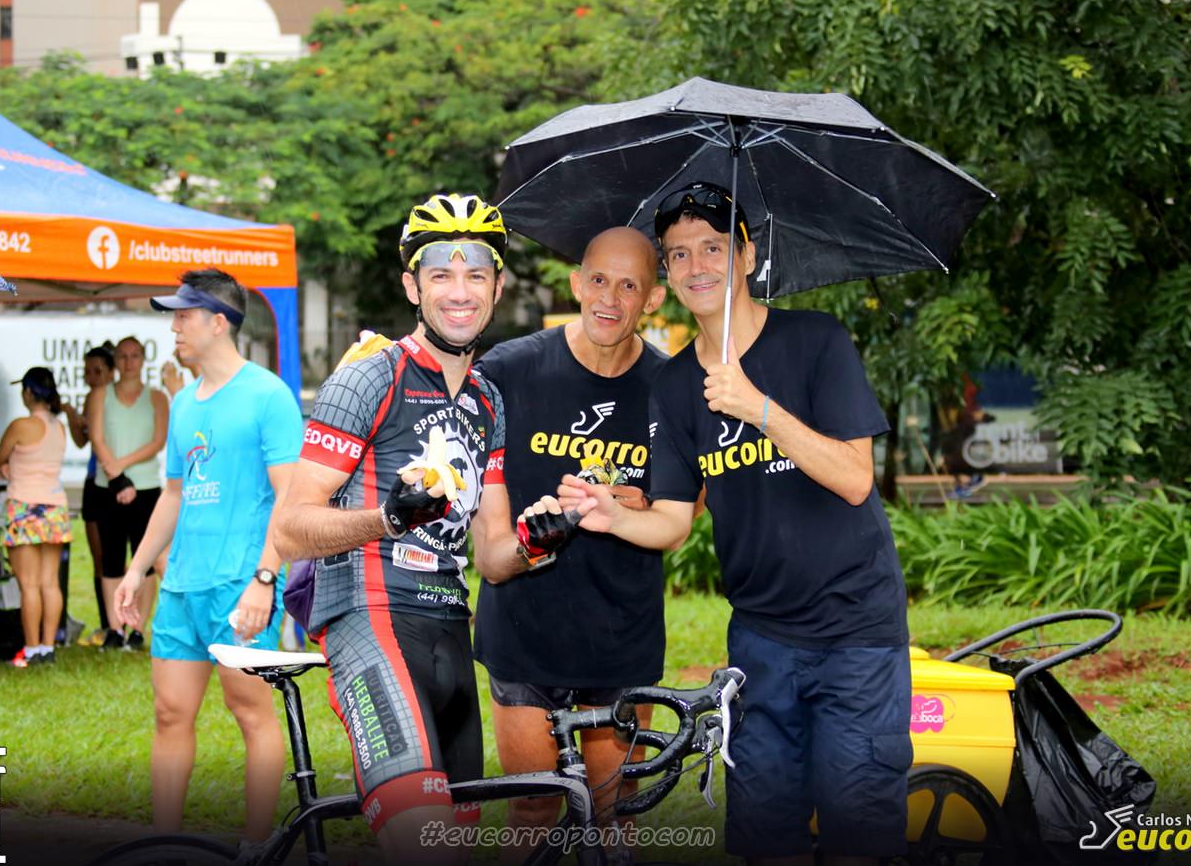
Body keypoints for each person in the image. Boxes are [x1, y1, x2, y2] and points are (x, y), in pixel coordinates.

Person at [559, 182, 913, 864]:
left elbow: (854, 478)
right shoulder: (673, 386)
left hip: (855, 635)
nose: (697, 266)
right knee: (765, 840)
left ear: (748, 256)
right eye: (679, 254)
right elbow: (671, 521)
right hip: (760, 642)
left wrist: (760, 408)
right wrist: (612, 514)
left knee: (858, 835)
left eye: (714, 247)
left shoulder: (816, 341)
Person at [274, 193, 511, 864]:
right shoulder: (370, 377)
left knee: (455, 847)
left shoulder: (489, 401)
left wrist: (547, 534)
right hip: (369, 619)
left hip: (448, 631)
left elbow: (494, 553)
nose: (460, 292)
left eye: (476, 275)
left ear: (497, 287)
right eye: (441, 274)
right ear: (413, 286)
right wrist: (388, 517)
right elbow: (290, 527)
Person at [469, 226, 668, 855]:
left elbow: (679, 517)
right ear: (577, 283)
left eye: (629, 285)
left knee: (614, 813)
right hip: (526, 625)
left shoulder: (672, 388)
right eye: (599, 280)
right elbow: (474, 497)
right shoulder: (508, 369)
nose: (610, 297)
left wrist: (631, 504)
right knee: (532, 807)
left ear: (654, 299)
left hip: (622, 631)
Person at [114, 268, 302, 848]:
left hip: (240, 583)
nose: (174, 327)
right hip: (182, 588)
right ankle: (164, 846)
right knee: (170, 715)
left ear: (219, 323)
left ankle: (256, 847)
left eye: (183, 316)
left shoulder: (268, 395)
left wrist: (264, 579)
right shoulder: (182, 403)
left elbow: (290, 498)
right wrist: (137, 569)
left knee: (250, 711)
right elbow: (173, 494)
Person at [88, 335, 168, 650]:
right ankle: (114, 627)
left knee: (145, 560)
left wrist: (122, 466)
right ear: (115, 360)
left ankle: (137, 629)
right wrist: (116, 476)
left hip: (145, 488)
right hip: (107, 487)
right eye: (122, 355)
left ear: (143, 360)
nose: (128, 361)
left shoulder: (157, 397)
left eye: (135, 355)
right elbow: (97, 438)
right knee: (110, 559)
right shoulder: (100, 395)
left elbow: (158, 441)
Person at [0, 366, 72, 668]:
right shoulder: (59, 427)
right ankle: (48, 647)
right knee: (50, 583)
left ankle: (31, 648)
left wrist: (9, 466)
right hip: (55, 507)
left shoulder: (21, 425)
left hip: (24, 507)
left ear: (28, 392)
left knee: (28, 585)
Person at [70, 343, 116, 644]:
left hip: (118, 481)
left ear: (112, 372)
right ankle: (106, 623)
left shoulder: (120, 399)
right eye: (87, 372)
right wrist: (71, 416)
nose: (91, 378)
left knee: (119, 559)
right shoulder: (91, 398)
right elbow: (81, 440)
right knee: (99, 558)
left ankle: (124, 625)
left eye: (97, 371)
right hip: (93, 482)